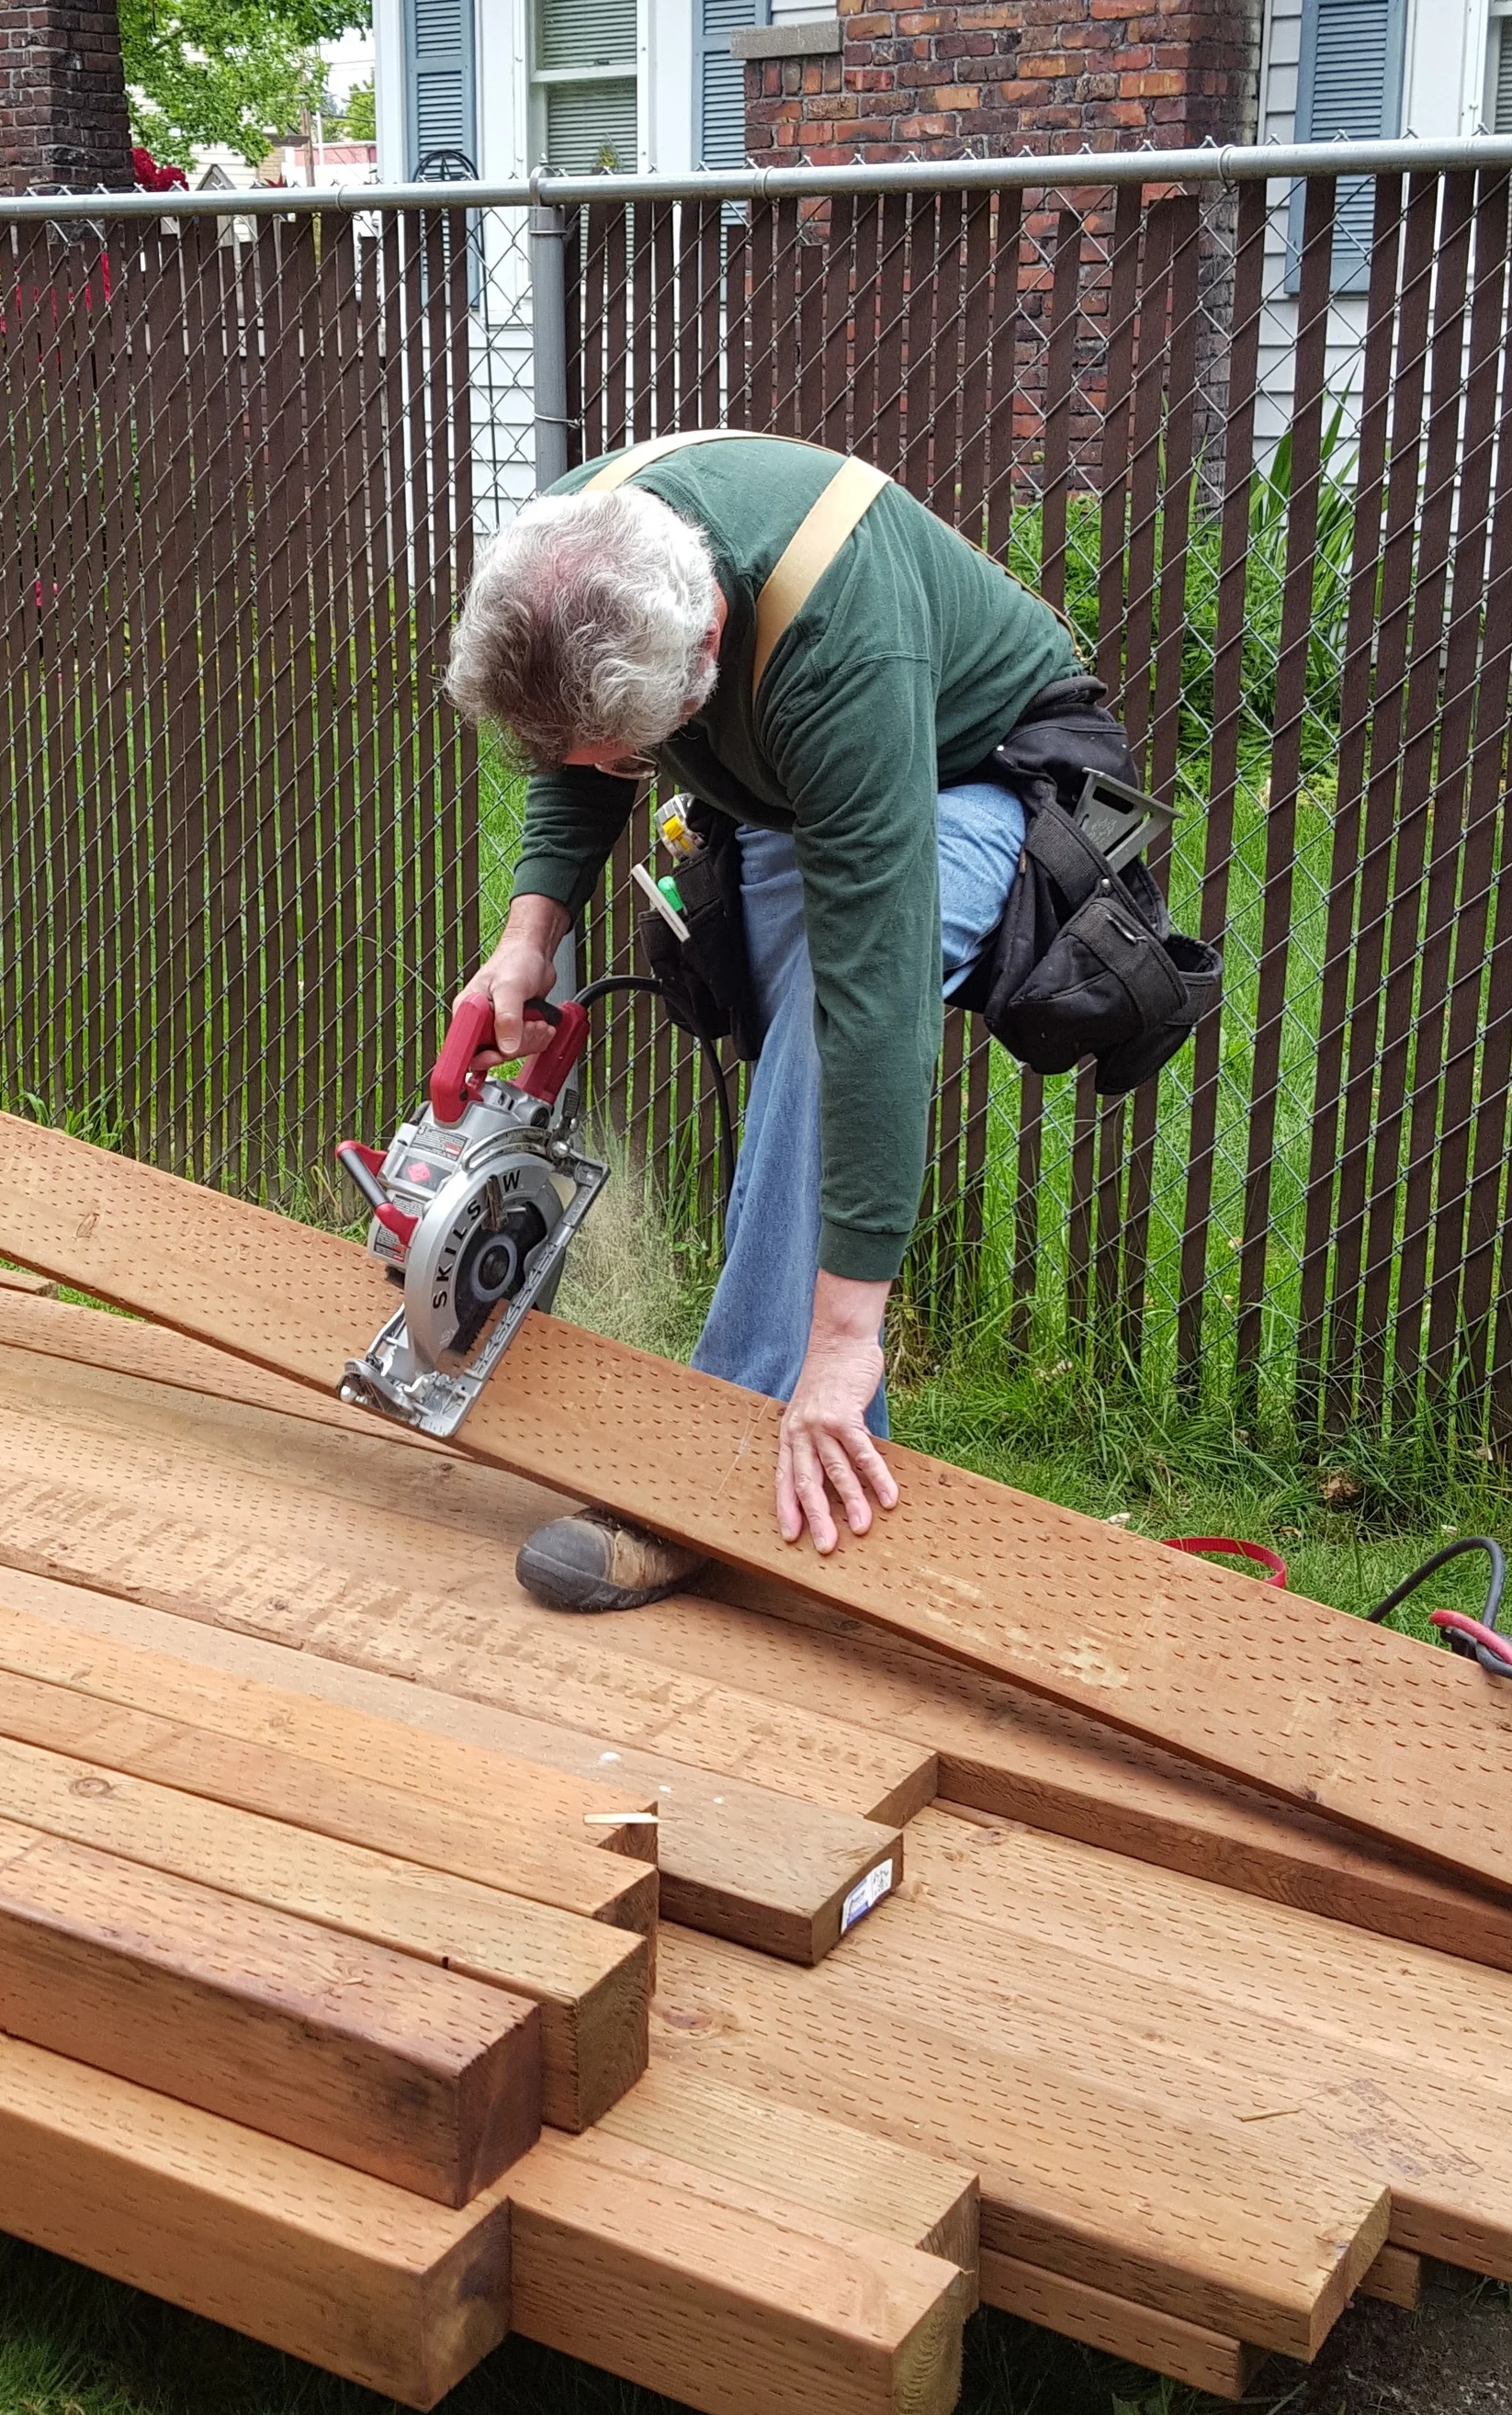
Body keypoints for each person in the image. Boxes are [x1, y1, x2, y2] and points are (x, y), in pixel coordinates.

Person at [445, 431, 1078, 1614]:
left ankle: (736, 1449)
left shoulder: (843, 643)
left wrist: (847, 1334)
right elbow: (581, 757)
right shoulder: (570, 555)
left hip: (977, 770)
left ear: (704, 652)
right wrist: (528, 937)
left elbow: (875, 1006)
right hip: (788, 772)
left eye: (639, 749)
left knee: (821, 1039)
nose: (624, 768)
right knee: (798, 1036)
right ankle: (841, 1469)